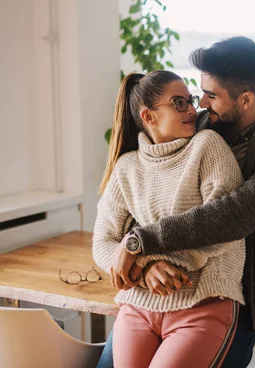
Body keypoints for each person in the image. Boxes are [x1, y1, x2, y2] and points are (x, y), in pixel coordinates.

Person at [96, 36, 255, 368]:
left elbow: (235, 216)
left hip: (234, 289)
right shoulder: (193, 125)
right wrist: (144, 266)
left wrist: (142, 241)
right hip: (152, 292)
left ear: (246, 99)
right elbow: (137, 200)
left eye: (210, 96)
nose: (200, 106)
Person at [93, 70, 246, 368]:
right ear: (148, 116)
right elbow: (102, 241)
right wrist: (147, 265)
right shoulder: (127, 167)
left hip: (203, 301)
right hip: (138, 305)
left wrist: (146, 252)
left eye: (190, 100)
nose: (192, 109)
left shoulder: (207, 146)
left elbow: (224, 227)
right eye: (179, 103)